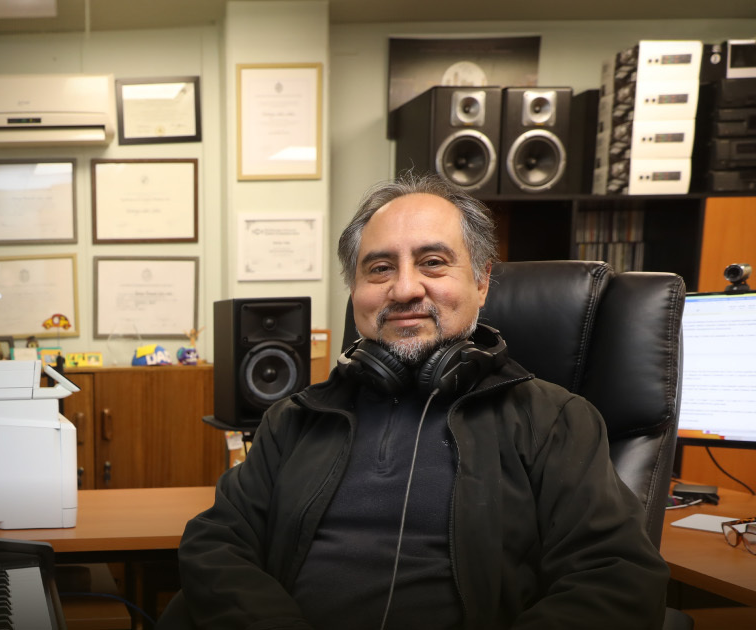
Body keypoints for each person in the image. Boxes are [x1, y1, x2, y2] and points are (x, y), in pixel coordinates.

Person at [172, 173, 669, 629]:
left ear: (481, 281)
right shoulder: (297, 419)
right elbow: (217, 544)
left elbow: (615, 578)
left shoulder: (555, 421)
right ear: (356, 292)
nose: (405, 288)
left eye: (433, 262)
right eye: (380, 268)